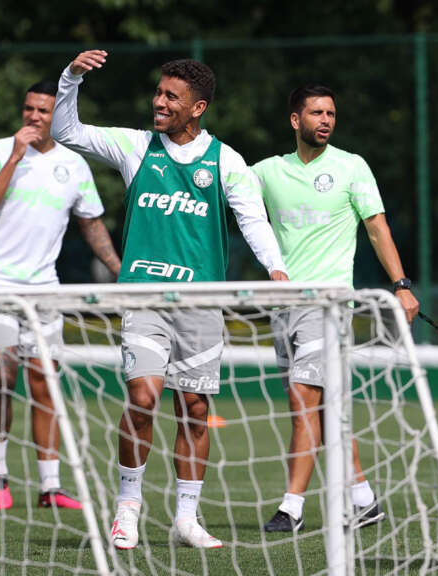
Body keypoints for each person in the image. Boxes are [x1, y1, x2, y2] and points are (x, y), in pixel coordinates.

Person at [52, 50, 288, 549]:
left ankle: (185, 519)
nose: (158, 102)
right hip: (145, 298)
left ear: (197, 108)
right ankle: (128, 507)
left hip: (201, 305)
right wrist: (70, 78)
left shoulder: (226, 160)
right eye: (159, 92)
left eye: (170, 97)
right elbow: (66, 132)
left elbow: (252, 220)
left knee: (195, 409)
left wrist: (276, 268)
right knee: (142, 397)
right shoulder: (136, 147)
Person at [251, 84, 419, 533]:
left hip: (328, 306)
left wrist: (400, 285)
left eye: (331, 113)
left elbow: (377, 228)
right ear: (295, 120)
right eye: (316, 113)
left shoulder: (351, 167)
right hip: (284, 307)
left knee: (302, 397)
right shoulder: (266, 172)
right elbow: (229, 200)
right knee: (326, 406)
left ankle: (292, 507)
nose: (325, 120)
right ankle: (363, 500)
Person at [0, 80, 121, 512]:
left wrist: (119, 270)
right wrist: (16, 156)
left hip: (42, 288)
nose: (34, 117)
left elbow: (91, 222)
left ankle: (50, 487)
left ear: (59, 116)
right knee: (1, 375)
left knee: (44, 381)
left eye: (43, 111)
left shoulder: (73, 164)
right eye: (28, 109)